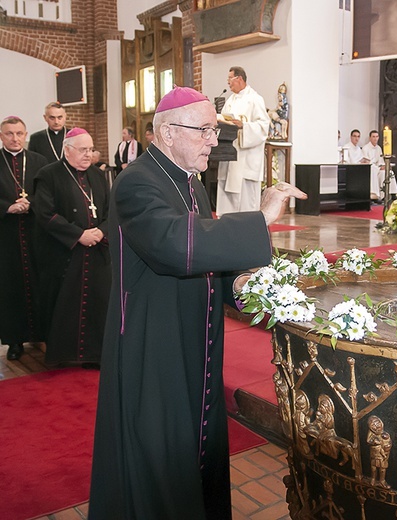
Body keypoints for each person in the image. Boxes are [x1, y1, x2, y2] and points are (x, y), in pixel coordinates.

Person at [88, 86, 305, 520]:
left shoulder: (192, 185)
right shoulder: (136, 183)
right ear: (167, 132)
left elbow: (205, 259)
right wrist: (259, 218)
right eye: (205, 130)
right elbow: (175, 245)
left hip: (196, 337)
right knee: (161, 446)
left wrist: (242, 284)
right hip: (155, 343)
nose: (214, 140)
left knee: (197, 442)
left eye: (214, 130)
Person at [32, 128, 110, 367]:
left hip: (96, 252)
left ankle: (95, 355)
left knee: (98, 304)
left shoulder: (98, 175)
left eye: (90, 149)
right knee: (64, 305)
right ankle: (64, 355)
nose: (89, 155)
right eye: (83, 150)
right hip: (64, 253)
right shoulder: (48, 175)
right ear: (67, 150)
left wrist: (101, 231)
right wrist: (78, 235)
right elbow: (45, 214)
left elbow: (110, 211)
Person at [0, 116, 48, 360]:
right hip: (6, 237)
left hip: (35, 233)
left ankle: (42, 334)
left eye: (19, 133)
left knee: (39, 282)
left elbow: (48, 193)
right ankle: (15, 340)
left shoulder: (39, 161)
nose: (15, 138)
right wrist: (7, 207)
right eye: (9, 133)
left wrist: (32, 204)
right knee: (11, 287)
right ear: (1, 136)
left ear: (26, 133)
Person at [216, 66, 270, 216]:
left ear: (239, 78)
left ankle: (247, 228)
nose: (228, 83)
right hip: (229, 154)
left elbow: (263, 127)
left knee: (246, 201)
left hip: (246, 158)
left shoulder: (255, 99)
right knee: (228, 196)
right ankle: (226, 224)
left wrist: (244, 126)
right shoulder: (230, 100)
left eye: (230, 79)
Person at [362, 129, 397, 201]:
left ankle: (390, 194)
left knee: (389, 172)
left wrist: (383, 166)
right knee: (375, 171)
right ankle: (377, 195)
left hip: (378, 168)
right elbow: (367, 162)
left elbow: (381, 161)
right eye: (373, 137)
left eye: (377, 137)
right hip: (372, 169)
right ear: (370, 138)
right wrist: (378, 168)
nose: (375, 139)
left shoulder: (378, 148)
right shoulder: (365, 148)